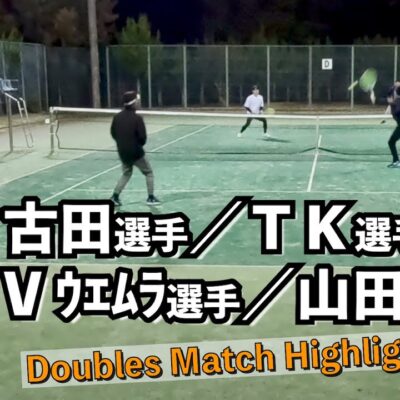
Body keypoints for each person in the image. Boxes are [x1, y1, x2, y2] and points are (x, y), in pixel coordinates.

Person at [110, 91, 161, 206]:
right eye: (137, 101)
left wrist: (123, 144)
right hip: (136, 153)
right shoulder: (137, 118)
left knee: (126, 173)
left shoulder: (117, 117)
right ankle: (151, 198)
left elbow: (113, 133)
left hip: (123, 152)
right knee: (148, 172)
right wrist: (136, 146)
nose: (139, 103)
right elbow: (142, 137)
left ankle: (115, 197)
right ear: (133, 103)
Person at [387, 81, 400, 168]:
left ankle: (396, 161)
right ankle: (396, 161)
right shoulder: (395, 103)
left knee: (391, 142)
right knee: (391, 142)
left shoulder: (397, 103)